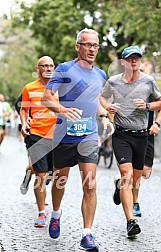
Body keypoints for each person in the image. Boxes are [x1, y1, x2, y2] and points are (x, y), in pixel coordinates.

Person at [42, 28, 114, 251]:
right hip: (64, 135)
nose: (92, 49)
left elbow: (95, 102)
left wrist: (103, 117)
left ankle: (87, 234)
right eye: (87, 45)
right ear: (78, 46)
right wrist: (62, 109)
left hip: (89, 136)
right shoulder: (64, 69)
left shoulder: (101, 74)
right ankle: (55, 213)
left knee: (90, 184)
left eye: (95, 45)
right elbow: (46, 98)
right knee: (60, 181)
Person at [99, 45, 161, 239]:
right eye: (130, 58)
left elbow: (160, 103)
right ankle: (130, 222)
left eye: (137, 58)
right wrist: (109, 106)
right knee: (127, 175)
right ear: (124, 62)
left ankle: (120, 186)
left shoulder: (148, 81)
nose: (134, 61)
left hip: (141, 135)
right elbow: (102, 98)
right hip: (121, 135)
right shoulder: (114, 82)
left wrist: (147, 105)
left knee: (136, 178)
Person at [20, 56, 57, 227]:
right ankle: (42, 213)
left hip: (57, 137)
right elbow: (24, 110)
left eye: (51, 66)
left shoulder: (60, 89)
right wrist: (23, 123)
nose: (49, 69)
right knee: (41, 176)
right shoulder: (29, 88)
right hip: (36, 134)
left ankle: (30, 172)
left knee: (51, 174)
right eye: (45, 66)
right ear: (38, 69)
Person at [132, 63, 161, 217]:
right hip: (130, 135)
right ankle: (135, 202)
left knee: (145, 173)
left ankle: (120, 183)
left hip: (147, 136)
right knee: (134, 171)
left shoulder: (152, 92)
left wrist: (156, 124)